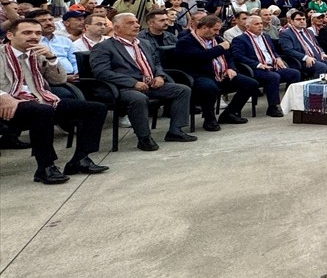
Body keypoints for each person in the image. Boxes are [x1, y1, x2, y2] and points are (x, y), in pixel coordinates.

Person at [1, 17, 109, 183]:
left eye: (37, 33)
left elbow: (59, 80)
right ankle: (45, 167)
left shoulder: (37, 54)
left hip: (40, 99)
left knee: (96, 108)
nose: (34, 36)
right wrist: (3, 96)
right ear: (10, 35)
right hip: (9, 104)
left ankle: (79, 159)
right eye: (27, 32)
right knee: (43, 111)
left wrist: (51, 58)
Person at [89, 13, 197, 151]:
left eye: (136, 22)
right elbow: (102, 72)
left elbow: (156, 63)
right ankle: (144, 138)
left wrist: (159, 76)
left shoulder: (144, 43)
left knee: (182, 90)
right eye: (130, 23)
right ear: (117, 28)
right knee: (139, 98)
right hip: (122, 88)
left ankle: (176, 131)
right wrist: (132, 83)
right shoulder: (104, 47)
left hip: (149, 84)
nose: (137, 25)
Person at [173, 14, 257, 131]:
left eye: (218, 30)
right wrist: (220, 48)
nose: (217, 33)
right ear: (204, 28)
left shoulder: (216, 40)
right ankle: (209, 119)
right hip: (199, 75)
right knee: (209, 88)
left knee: (251, 84)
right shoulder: (186, 41)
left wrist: (231, 68)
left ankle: (230, 113)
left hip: (221, 73)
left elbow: (229, 57)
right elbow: (200, 57)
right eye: (215, 30)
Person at [229, 14, 300, 117]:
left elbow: (272, 51)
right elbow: (238, 57)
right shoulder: (240, 39)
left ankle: (289, 102)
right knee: (273, 77)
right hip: (255, 68)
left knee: (294, 73)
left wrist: (278, 58)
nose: (260, 26)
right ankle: (273, 107)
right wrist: (258, 64)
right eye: (257, 24)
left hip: (271, 65)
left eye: (261, 23)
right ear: (248, 26)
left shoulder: (265, 36)